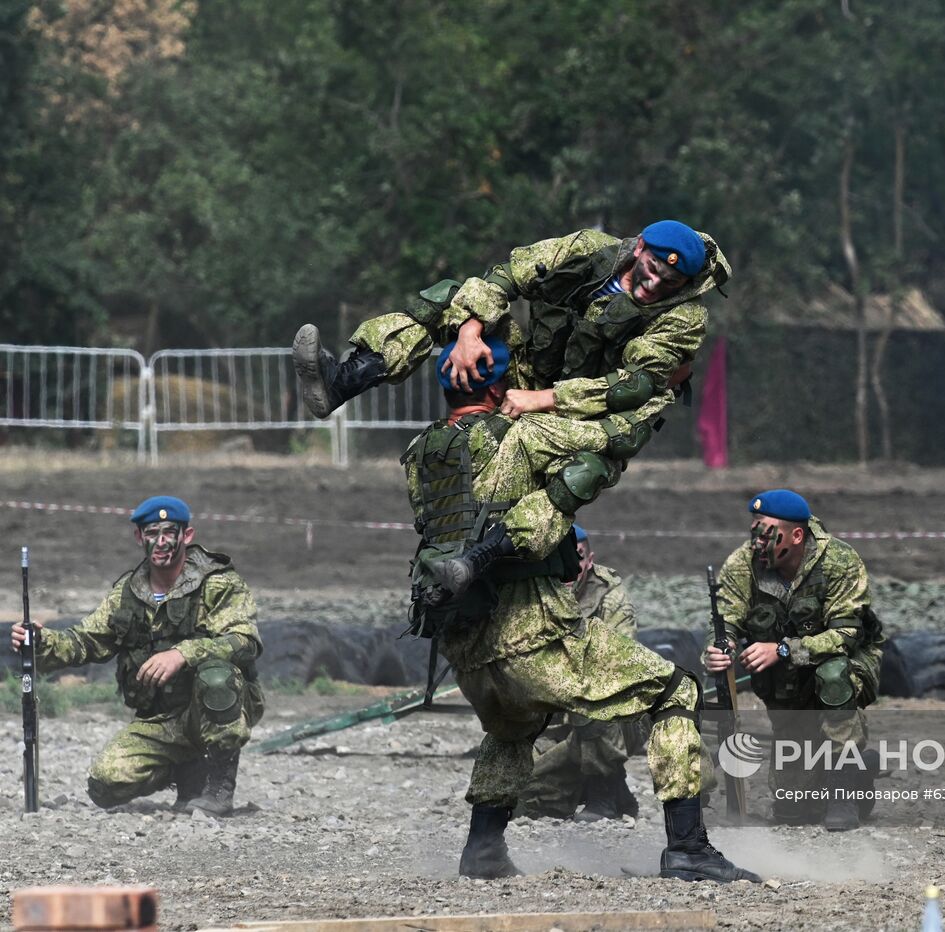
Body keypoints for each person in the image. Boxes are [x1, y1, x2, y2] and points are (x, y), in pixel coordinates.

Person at [401, 341, 756, 883]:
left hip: (464, 642)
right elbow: (612, 437)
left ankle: (483, 850)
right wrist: (661, 387)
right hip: (530, 630)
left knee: (512, 731)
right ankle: (687, 847)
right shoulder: (522, 436)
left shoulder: (421, 454)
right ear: (497, 388)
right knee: (673, 690)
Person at [294, 219, 728, 421]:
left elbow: (636, 383)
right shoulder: (589, 249)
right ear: (639, 250)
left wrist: (541, 401)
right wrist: (469, 333)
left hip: (583, 409)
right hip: (529, 367)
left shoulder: (682, 317)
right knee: (451, 296)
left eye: (669, 282)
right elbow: (506, 275)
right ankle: (345, 380)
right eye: (653, 269)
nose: (654, 285)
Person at [9, 496, 263, 815]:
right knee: (106, 784)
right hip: (161, 719)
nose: (160, 542)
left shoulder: (218, 583)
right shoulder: (127, 593)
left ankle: (219, 787)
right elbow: (86, 640)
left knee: (216, 676)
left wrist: (182, 654)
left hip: (215, 707)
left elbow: (244, 641)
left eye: (169, 532)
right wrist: (40, 642)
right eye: (151, 533)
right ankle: (187, 771)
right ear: (139, 538)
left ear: (187, 536)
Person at [702, 490, 884, 831]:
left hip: (848, 664)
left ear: (796, 535)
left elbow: (846, 635)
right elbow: (725, 618)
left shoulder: (840, 561)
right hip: (786, 680)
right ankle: (863, 768)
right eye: (754, 528)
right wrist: (718, 647)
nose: (757, 540)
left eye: (766, 531)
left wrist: (783, 649)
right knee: (793, 809)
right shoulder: (744, 564)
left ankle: (845, 782)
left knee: (833, 674)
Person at [518, 525, 644, 821]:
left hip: (617, 714)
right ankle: (616, 791)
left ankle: (604, 795)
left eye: (577, 558)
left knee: (595, 703)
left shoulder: (610, 595)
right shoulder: (535, 593)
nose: (569, 568)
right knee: (527, 801)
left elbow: (616, 662)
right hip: (557, 718)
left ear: (590, 560)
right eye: (560, 558)